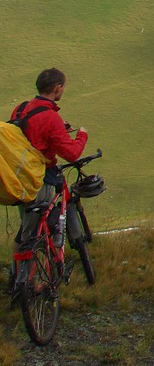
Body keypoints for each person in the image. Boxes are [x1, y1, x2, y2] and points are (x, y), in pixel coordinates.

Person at [10, 68, 88, 252]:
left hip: (18, 174)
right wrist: (82, 136)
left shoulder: (21, 109)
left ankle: (17, 274)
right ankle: (27, 277)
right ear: (57, 88)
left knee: (26, 226)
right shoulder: (51, 117)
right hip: (39, 178)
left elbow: (31, 135)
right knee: (34, 231)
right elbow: (71, 154)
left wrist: (59, 130)